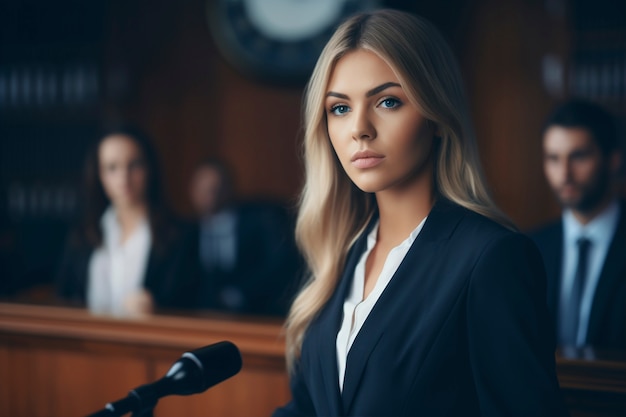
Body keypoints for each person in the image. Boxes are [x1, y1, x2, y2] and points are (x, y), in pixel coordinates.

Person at [272, 9, 568, 417]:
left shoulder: (491, 259)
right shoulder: (341, 254)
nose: (359, 128)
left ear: (437, 117)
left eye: (388, 101)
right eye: (339, 108)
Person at [56, 126, 198, 317]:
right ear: (99, 175)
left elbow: (196, 306)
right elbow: (63, 300)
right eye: (112, 167)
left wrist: (157, 310)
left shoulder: (180, 236)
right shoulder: (82, 235)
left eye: (135, 164)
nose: (124, 177)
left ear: (150, 169)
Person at [530, 99, 625, 351]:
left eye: (579, 156)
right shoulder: (531, 247)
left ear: (613, 160)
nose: (564, 173)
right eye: (553, 158)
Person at [186, 158, 301, 316]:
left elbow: (278, 266)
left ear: (229, 188)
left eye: (215, 188)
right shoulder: (187, 232)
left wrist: (238, 295)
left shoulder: (261, 221)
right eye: (202, 189)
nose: (209, 197)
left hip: (257, 312)